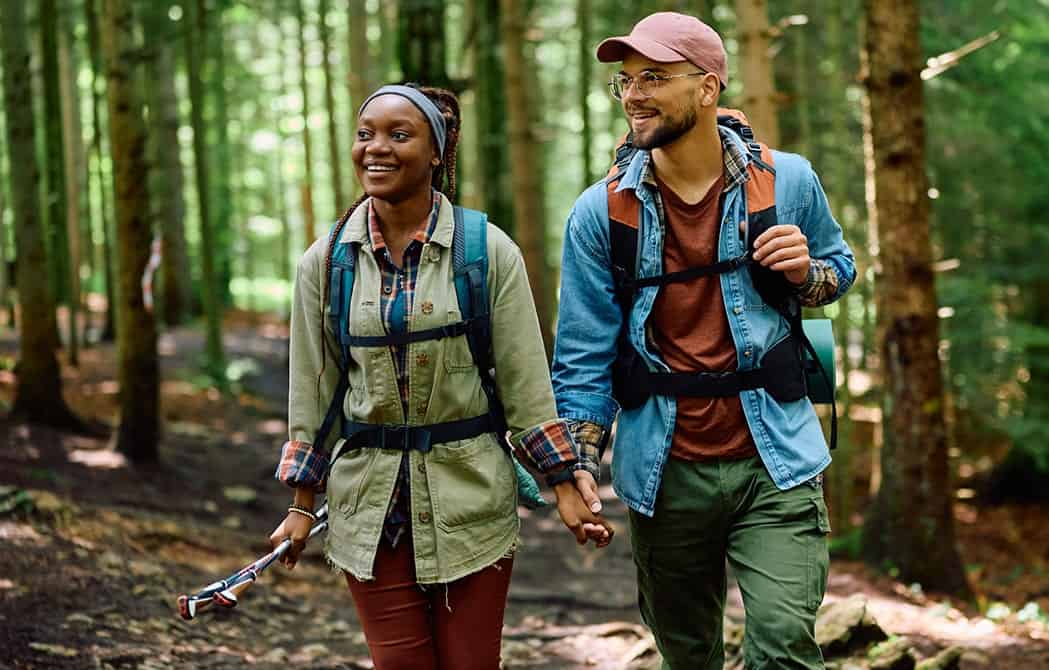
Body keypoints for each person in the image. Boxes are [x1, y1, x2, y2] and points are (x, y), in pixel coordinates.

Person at [268, 83, 610, 670]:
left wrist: (563, 485)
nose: (376, 148)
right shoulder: (325, 264)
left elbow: (527, 384)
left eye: (399, 135)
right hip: (367, 510)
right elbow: (315, 393)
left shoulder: (486, 252)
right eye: (365, 133)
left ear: (437, 153)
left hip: (472, 502)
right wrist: (302, 504)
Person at [552, 12, 856, 669]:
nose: (632, 94)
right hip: (664, 472)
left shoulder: (788, 183)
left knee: (781, 651)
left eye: (653, 78)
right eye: (625, 80)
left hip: (774, 460)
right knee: (688, 657)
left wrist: (806, 273)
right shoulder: (600, 213)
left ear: (707, 88)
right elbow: (582, 356)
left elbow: (838, 274)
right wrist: (576, 463)